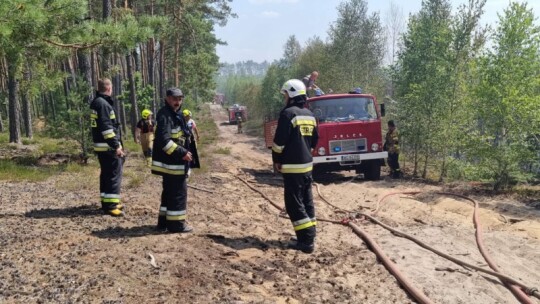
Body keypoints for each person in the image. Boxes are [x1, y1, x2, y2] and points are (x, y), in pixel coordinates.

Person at [272, 79, 319, 254]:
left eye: (285, 94)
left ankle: (306, 241)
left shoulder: (288, 114)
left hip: (292, 166)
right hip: (307, 166)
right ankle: (308, 235)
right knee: (307, 200)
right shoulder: (309, 114)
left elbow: (279, 143)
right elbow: (315, 140)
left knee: (293, 203)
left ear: (291, 94)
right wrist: (306, 152)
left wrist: (276, 159)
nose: (284, 98)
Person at [152, 87, 193, 233]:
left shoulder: (175, 114)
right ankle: (176, 225)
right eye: (175, 99)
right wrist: (181, 152)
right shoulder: (165, 115)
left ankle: (163, 222)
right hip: (173, 164)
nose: (177, 102)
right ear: (167, 99)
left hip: (173, 163)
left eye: (180, 99)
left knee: (169, 193)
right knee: (178, 194)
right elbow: (163, 140)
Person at [90, 78, 125, 217]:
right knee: (113, 175)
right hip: (108, 147)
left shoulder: (97, 102)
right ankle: (111, 206)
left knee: (106, 174)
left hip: (101, 146)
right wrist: (116, 145)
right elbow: (107, 128)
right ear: (109, 88)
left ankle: (107, 202)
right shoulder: (103, 104)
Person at [182, 109, 201, 174]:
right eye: (187, 116)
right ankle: (187, 166)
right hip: (184, 140)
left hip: (191, 139)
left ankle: (192, 164)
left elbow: (195, 129)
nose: (188, 117)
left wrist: (197, 136)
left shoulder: (191, 121)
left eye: (188, 116)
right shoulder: (181, 122)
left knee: (193, 151)